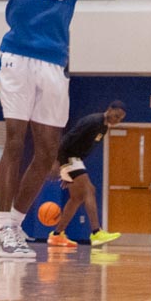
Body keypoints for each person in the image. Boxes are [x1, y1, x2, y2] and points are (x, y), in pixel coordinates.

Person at [0, 0, 124, 260]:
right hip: (18, 57)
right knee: (15, 141)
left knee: (48, 152)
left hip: (54, 65)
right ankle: (3, 226)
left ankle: (15, 226)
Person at [48, 100, 125, 248]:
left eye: (120, 119)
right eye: (116, 116)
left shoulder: (103, 127)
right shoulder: (93, 121)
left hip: (75, 160)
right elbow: (67, 139)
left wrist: (69, 174)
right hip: (68, 157)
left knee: (76, 198)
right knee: (89, 190)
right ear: (109, 109)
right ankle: (96, 232)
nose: (117, 120)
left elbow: (84, 148)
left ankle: (57, 235)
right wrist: (57, 162)